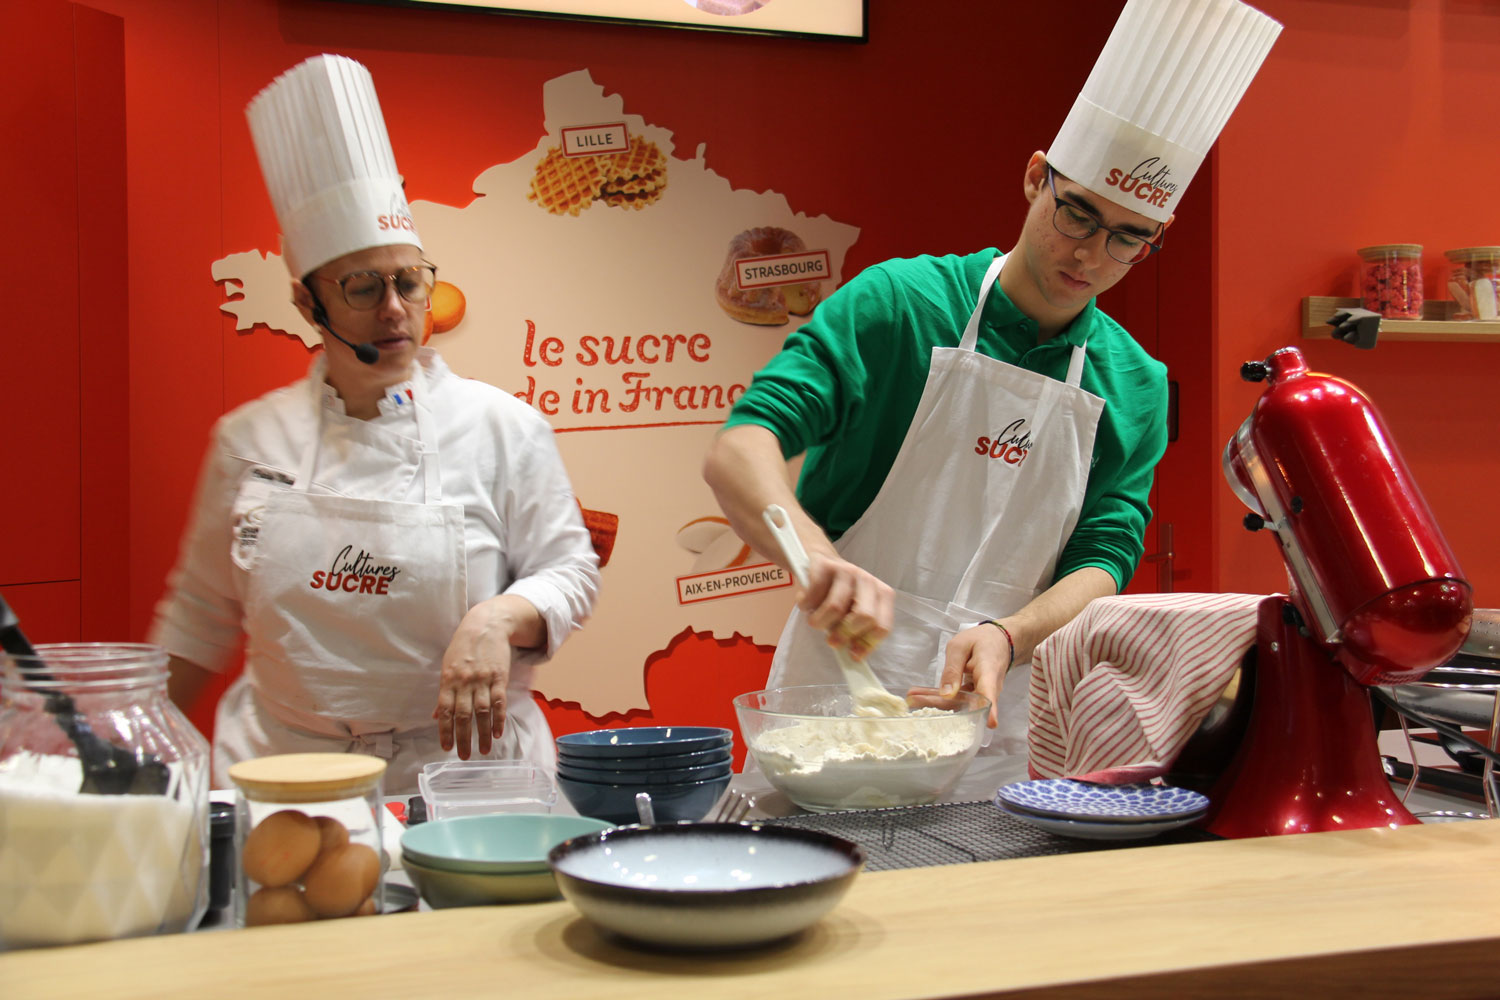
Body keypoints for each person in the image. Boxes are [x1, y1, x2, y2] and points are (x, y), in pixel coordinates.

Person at [703, 0, 1280, 755]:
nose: (1091, 255)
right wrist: (816, 559)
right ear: (1037, 177)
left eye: (1128, 238)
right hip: (833, 705)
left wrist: (1010, 634)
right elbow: (740, 449)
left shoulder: (1134, 382)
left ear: (1156, 236)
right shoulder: (903, 306)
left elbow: (1105, 557)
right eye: (1076, 214)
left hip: (1006, 714)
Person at [151, 55, 600, 792]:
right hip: (286, 769)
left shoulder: (502, 427)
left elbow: (571, 569)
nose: (394, 309)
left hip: (466, 771)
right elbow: (199, 612)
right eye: (363, 286)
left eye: (410, 280)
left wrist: (497, 619)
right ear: (306, 302)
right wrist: (119, 745)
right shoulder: (249, 441)